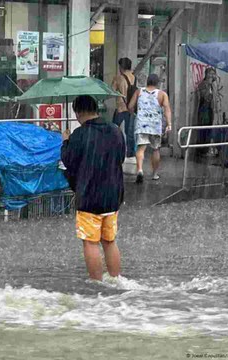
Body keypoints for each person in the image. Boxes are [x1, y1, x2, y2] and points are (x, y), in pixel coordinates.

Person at [61, 95, 125, 281]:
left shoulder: (79, 135)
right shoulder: (115, 130)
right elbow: (120, 157)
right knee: (109, 241)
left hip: (89, 197)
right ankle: (115, 280)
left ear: (78, 112)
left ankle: (97, 284)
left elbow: (68, 161)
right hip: (112, 197)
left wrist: (65, 141)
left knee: (90, 243)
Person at [128, 74, 172, 183]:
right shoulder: (162, 94)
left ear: (147, 81)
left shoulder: (139, 92)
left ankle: (140, 170)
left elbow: (130, 106)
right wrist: (169, 123)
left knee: (140, 148)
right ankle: (155, 174)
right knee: (156, 149)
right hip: (155, 125)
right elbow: (167, 109)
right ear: (157, 83)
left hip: (141, 124)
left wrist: (135, 114)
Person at [111, 57, 137, 159]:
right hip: (131, 108)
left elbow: (112, 91)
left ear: (121, 67)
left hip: (121, 108)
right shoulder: (134, 77)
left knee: (113, 129)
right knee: (129, 132)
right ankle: (131, 153)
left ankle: (113, 150)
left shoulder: (118, 78)